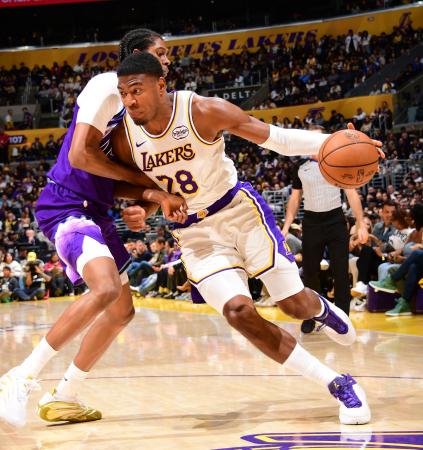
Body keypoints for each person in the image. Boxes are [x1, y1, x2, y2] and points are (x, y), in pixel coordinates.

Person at [113, 53, 383, 424]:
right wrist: (147, 205)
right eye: (123, 93)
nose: (129, 100)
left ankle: (319, 309)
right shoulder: (124, 137)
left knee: (293, 305)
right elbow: (140, 187)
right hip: (194, 234)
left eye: (136, 90)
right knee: (238, 312)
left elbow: (276, 138)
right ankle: (337, 383)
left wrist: (335, 143)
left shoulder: (202, 111)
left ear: (161, 85)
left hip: (240, 214)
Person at [0, 29, 186, 428]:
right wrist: (147, 187)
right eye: (160, 52)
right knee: (104, 288)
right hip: (66, 203)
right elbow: (79, 155)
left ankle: (65, 395)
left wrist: (147, 197)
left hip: (97, 210)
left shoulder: (143, 110)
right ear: (136, 55)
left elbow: (116, 180)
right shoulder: (106, 87)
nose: (168, 59)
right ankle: (21, 376)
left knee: (122, 312)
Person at [281, 125, 368, 334]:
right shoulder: (300, 167)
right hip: (311, 222)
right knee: (310, 272)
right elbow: (295, 199)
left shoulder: (338, 162)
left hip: (336, 220)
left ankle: (342, 319)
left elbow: (351, 193)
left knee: (340, 271)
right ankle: (312, 315)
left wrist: (361, 223)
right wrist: (285, 226)